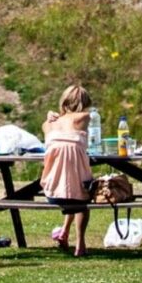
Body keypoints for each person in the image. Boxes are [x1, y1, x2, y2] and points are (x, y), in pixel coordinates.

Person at [41, 85, 96, 256]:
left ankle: (64, 231)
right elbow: (86, 117)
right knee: (81, 193)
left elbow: (51, 125)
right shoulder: (84, 117)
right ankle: (80, 244)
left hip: (52, 192)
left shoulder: (48, 125)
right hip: (76, 193)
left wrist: (50, 116)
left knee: (72, 184)